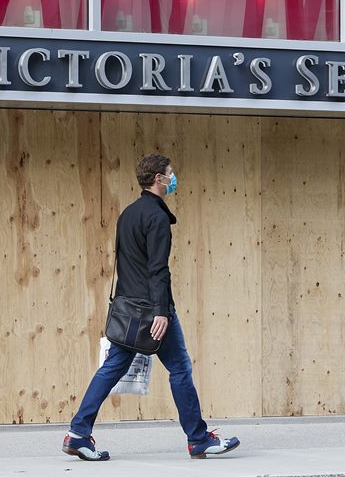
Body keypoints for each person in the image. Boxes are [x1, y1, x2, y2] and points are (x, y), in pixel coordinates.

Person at [62, 153, 240, 461]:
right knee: (180, 368)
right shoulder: (157, 217)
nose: (174, 178)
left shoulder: (129, 213)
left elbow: (125, 264)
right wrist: (161, 312)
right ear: (158, 178)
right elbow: (158, 269)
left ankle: (78, 433)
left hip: (127, 310)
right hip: (151, 311)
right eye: (170, 174)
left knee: (111, 368)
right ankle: (198, 439)